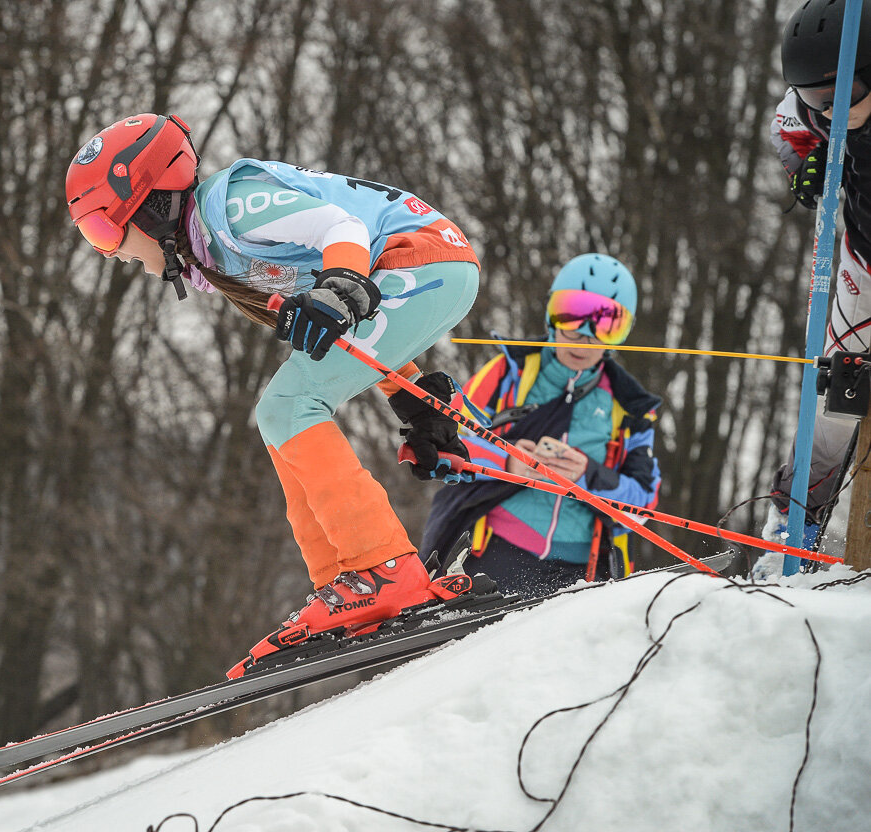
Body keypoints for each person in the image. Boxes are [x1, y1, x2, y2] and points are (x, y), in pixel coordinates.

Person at [65, 114, 484, 675]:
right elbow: (348, 334)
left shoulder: (231, 205)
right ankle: (342, 581)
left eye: (104, 230)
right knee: (279, 414)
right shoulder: (212, 255)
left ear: (153, 204)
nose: (109, 252)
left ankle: (380, 569)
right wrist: (411, 398)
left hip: (420, 260)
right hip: (413, 272)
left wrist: (339, 289)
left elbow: (342, 232)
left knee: (287, 405)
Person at [417, 254, 663, 599]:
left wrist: (588, 475)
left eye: (607, 324)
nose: (586, 338)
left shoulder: (630, 406)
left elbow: (643, 507)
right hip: (497, 551)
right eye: (573, 315)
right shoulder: (507, 373)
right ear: (552, 315)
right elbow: (445, 442)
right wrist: (509, 463)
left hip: (583, 570)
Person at [766, 0, 871, 547]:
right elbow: (789, 134)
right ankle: (795, 522)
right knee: (839, 391)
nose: (828, 111)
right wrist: (803, 166)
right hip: (864, 260)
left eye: (843, 97)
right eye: (815, 98)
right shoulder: (805, 112)